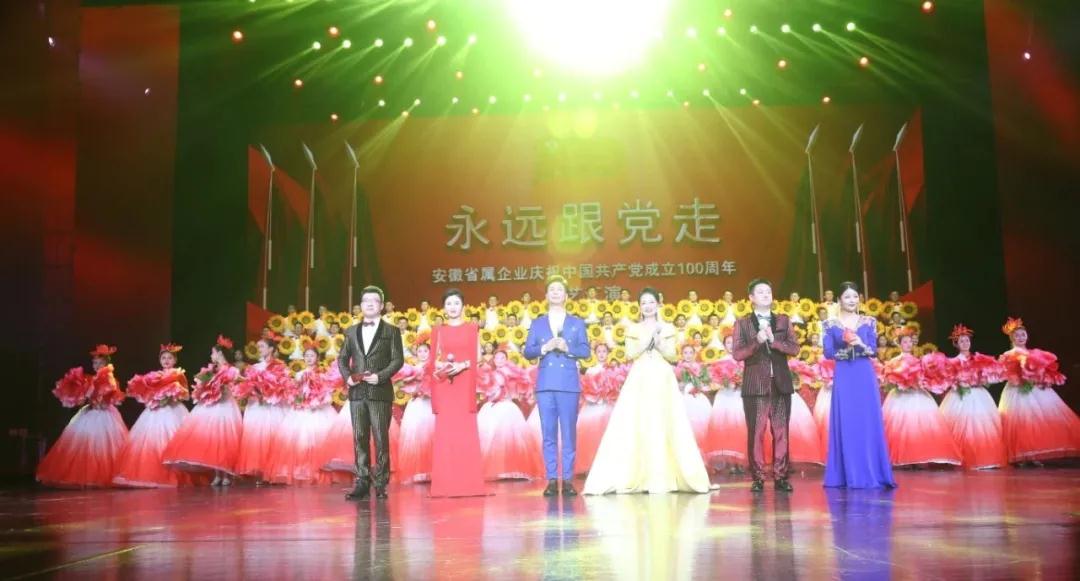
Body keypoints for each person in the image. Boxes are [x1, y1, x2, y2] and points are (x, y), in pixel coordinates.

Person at [583, 287, 711, 495]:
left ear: (658, 304)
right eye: (644, 303)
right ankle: (637, 474)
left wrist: (659, 343)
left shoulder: (667, 328)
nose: (648, 306)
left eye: (651, 302)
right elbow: (630, 353)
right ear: (639, 307)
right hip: (640, 376)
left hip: (662, 376)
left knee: (664, 419)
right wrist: (646, 341)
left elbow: (672, 356)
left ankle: (666, 475)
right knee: (637, 420)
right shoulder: (633, 329)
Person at [821, 282, 896, 488]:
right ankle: (846, 474)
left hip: (864, 373)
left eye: (855, 296)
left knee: (867, 420)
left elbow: (873, 350)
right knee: (847, 420)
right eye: (847, 297)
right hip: (845, 374)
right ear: (839, 300)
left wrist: (860, 344)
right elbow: (828, 352)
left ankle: (873, 471)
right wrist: (845, 349)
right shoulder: (830, 324)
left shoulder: (869, 321)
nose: (852, 300)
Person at [524, 275, 591, 497]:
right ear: (546, 295)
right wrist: (544, 348)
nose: (555, 292)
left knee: (569, 434)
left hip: (568, 384)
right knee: (549, 434)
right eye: (551, 289)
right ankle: (552, 479)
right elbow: (528, 351)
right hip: (545, 384)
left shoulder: (576, 323)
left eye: (559, 289)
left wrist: (567, 347)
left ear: (566, 296)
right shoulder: (538, 323)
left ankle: (568, 480)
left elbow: (586, 351)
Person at [731, 278, 800, 493]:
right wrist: (757, 341)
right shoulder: (742, 323)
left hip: (780, 384)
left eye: (768, 291)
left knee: (781, 432)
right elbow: (737, 354)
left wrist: (773, 341)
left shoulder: (783, 321)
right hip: (755, 386)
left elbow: (794, 348)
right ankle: (758, 477)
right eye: (760, 292)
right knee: (756, 433)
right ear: (751, 297)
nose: (765, 295)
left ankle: (781, 476)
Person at [337, 285, 404, 500]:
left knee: (381, 438)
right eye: (366, 300)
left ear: (381, 305)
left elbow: (397, 360)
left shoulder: (391, 331)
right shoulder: (351, 331)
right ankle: (362, 481)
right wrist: (347, 377)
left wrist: (380, 376)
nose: (370, 304)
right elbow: (342, 358)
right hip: (357, 393)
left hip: (380, 392)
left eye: (374, 301)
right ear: (361, 305)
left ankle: (381, 483)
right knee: (359, 437)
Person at [36, 344, 128, 488]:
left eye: (100, 363)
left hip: (104, 414)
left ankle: (106, 476)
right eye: (95, 363)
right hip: (90, 412)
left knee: (103, 445)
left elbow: (112, 393)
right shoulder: (92, 379)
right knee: (82, 444)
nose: (97, 366)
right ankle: (84, 476)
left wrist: (101, 398)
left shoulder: (109, 377)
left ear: (106, 364)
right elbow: (86, 396)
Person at [426, 288, 487, 497]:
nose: (452, 307)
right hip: (446, 384)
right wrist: (444, 366)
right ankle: (445, 485)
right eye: (449, 303)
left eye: (456, 303)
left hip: (464, 383)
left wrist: (462, 365)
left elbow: (478, 357)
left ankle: (468, 484)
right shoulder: (438, 330)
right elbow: (433, 359)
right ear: (443, 307)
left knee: (464, 431)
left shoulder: (472, 328)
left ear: (463, 306)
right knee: (446, 432)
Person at [162, 336, 243, 486]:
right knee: (213, 439)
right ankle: (217, 473)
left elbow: (236, 383)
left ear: (220, 354)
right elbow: (203, 384)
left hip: (225, 406)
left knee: (224, 439)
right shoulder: (211, 369)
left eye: (213, 353)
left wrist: (223, 386)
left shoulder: (232, 369)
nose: (211, 355)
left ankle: (226, 474)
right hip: (212, 405)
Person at [997, 318, 1079, 465]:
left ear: (1027, 336)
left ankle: (1038, 453)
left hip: (1036, 388)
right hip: (1018, 390)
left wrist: (1040, 378)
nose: (1020, 337)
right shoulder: (1008, 354)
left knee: (1043, 420)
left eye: (1023, 334)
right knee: (1022, 421)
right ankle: (1022, 455)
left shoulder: (1034, 353)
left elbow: (1042, 370)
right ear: (1012, 338)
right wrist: (1018, 379)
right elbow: (1003, 372)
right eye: (1017, 335)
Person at [113, 343, 191, 487]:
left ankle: (176, 475)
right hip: (155, 410)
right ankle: (150, 474)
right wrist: (153, 397)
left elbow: (186, 395)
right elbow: (148, 392)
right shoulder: (155, 376)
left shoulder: (178, 374)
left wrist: (173, 394)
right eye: (163, 358)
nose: (166, 361)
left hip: (173, 410)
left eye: (169, 358)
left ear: (175, 360)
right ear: (160, 360)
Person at [941, 324, 1007, 470]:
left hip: (978, 394)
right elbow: (947, 380)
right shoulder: (952, 362)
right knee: (961, 426)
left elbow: (990, 376)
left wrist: (984, 380)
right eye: (962, 341)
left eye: (967, 340)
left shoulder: (979, 359)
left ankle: (983, 458)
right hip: (960, 396)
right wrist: (958, 383)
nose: (965, 343)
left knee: (982, 426)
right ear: (956, 344)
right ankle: (960, 458)